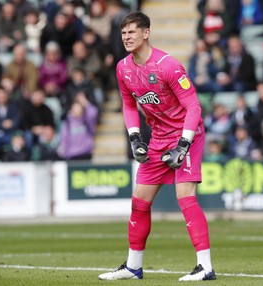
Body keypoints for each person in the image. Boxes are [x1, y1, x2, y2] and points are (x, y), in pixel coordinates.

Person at [98, 12, 216, 281]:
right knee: (139, 203)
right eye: (124, 33)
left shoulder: (168, 65)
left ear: (146, 33)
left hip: (187, 133)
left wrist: (184, 144)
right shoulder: (123, 68)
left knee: (185, 197)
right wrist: (135, 138)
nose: (127, 37)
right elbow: (129, 105)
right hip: (159, 137)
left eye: (132, 32)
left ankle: (205, 267)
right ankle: (133, 267)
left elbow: (194, 106)